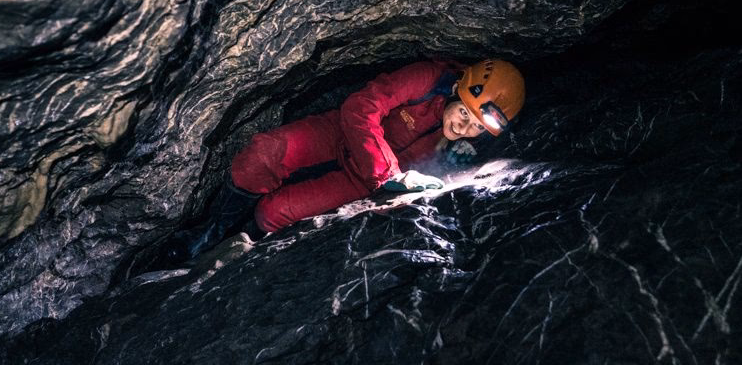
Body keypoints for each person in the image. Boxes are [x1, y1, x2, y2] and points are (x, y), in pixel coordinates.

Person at [164, 58, 526, 265]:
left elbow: (444, 177)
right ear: (458, 91)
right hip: (343, 135)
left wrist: (448, 159)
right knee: (263, 153)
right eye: (464, 112)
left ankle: (237, 251)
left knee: (272, 214)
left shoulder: (466, 143)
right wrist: (388, 173)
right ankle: (210, 230)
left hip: (363, 182)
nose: (463, 126)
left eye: (476, 126)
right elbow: (361, 107)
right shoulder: (430, 79)